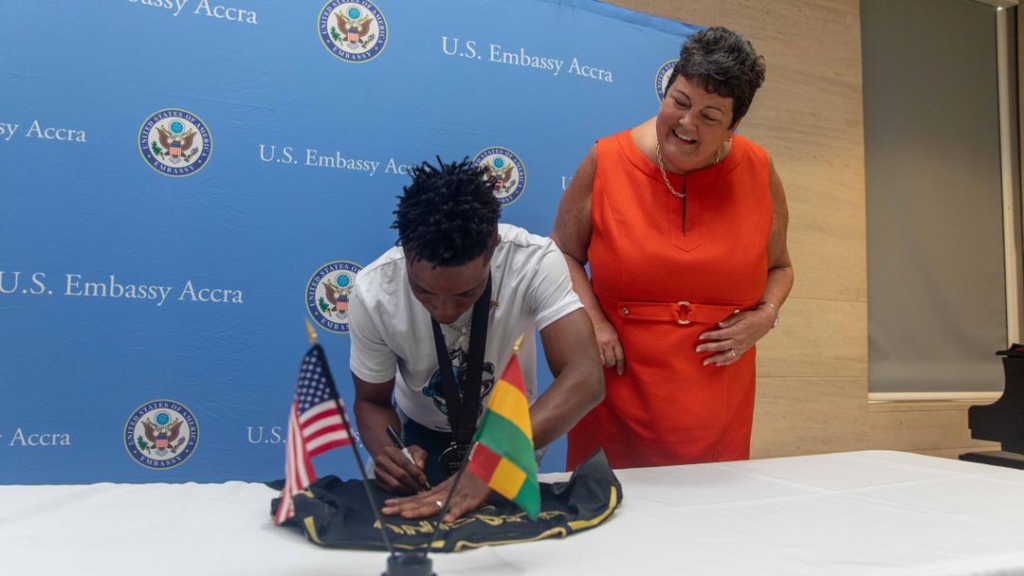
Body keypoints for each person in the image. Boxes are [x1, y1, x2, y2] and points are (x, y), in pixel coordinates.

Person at [552, 27, 794, 469]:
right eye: (679, 103)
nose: (686, 124)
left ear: (733, 126)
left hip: (719, 402)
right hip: (618, 389)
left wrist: (766, 316)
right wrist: (595, 323)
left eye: (709, 116)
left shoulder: (759, 170)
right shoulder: (606, 159)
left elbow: (780, 268)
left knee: (706, 525)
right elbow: (563, 253)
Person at [349, 158, 605, 522]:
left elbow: (585, 378)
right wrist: (390, 453)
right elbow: (372, 401)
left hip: (514, 433)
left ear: (492, 247)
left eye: (464, 295)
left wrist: (492, 459)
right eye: (423, 291)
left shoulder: (535, 261)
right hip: (420, 435)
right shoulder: (373, 291)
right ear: (405, 250)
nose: (443, 311)